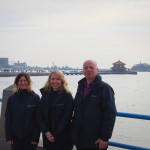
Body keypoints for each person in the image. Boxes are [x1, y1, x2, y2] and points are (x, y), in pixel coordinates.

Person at [71, 60, 117, 150]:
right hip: (80, 138)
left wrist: (104, 137)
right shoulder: (80, 87)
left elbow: (110, 114)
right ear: (83, 71)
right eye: (85, 68)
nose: (88, 69)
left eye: (91, 67)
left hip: (96, 139)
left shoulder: (105, 88)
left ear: (97, 70)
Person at [37, 70, 73, 150]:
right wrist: (46, 132)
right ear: (49, 80)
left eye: (58, 79)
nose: (55, 81)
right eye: (53, 79)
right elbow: (40, 115)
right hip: (47, 136)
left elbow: (67, 117)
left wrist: (55, 134)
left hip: (63, 137)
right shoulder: (45, 95)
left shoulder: (67, 95)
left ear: (62, 80)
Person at [5, 72, 40, 150]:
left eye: (25, 80)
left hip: (30, 138)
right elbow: (8, 119)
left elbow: (38, 120)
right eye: (20, 81)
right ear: (17, 83)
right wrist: (8, 136)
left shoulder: (35, 98)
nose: (23, 83)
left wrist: (35, 137)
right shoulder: (11, 99)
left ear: (29, 82)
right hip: (15, 138)